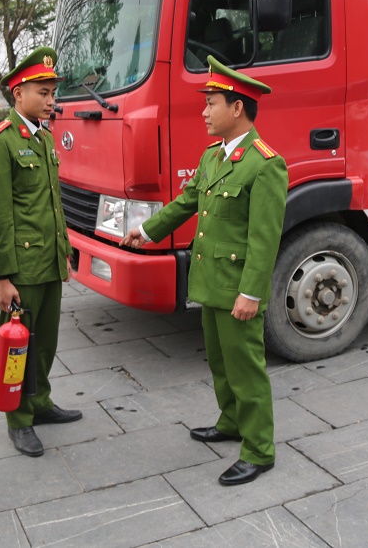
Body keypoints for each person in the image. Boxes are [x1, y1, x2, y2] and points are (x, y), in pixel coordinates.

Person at [121, 56, 287, 486]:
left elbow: (264, 239)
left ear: (237, 108)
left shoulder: (265, 164)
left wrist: (252, 293)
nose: (204, 111)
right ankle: (230, 422)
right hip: (209, 282)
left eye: (211, 102)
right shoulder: (213, 156)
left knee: (246, 368)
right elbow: (186, 203)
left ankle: (259, 448)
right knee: (219, 361)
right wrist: (146, 230)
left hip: (237, 288)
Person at [0, 46, 81, 457]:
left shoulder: (42, 138)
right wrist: (2, 277)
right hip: (21, 268)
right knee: (18, 345)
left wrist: (65, 252)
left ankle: (40, 402)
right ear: (18, 92)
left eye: (53, 92)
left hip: (48, 262)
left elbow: (53, 203)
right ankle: (18, 418)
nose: (51, 100)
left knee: (47, 342)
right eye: (43, 92)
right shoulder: (0, 143)